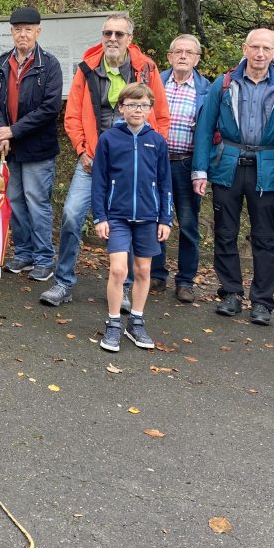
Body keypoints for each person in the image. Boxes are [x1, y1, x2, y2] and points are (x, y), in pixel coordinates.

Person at [39, 12, 170, 308]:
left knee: (128, 222)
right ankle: (63, 282)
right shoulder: (87, 69)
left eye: (118, 34)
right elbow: (72, 115)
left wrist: (148, 150)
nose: (112, 39)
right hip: (92, 161)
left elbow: (160, 116)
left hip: (131, 165)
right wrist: (82, 150)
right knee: (72, 215)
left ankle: (123, 288)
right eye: (107, 33)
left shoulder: (146, 69)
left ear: (129, 39)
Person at [192, 28, 274, 325]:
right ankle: (230, 292)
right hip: (227, 165)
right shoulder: (224, 84)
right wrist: (199, 170)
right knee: (225, 231)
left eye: (267, 48)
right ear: (245, 48)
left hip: (267, 168)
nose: (260, 53)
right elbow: (204, 128)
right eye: (255, 47)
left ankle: (263, 301)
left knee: (265, 237)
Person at [91, 83, 172, 352]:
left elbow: (164, 183)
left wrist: (165, 218)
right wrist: (100, 216)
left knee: (143, 270)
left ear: (150, 109)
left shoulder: (157, 141)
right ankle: (114, 323)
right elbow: (100, 181)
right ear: (122, 107)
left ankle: (135, 322)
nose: (138, 110)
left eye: (143, 105)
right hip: (116, 215)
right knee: (118, 269)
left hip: (148, 218)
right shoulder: (109, 139)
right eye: (132, 104)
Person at [0, 6, 63, 282]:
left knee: (36, 201)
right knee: (15, 200)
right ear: (11, 32)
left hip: (38, 149)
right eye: (18, 29)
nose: (22, 34)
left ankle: (44, 258)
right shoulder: (3, 63)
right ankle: (24, 253)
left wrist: (13, 131)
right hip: (11, 148)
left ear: (37, 31)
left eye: (28, 29)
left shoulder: (49, 65)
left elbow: (49, 109)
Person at [151, 34, 210, 303]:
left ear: (197, 58)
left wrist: (202, 168)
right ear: (170, 56)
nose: (183, 56)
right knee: (154, 218)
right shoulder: (155, 83)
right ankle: (156, 273)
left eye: (189, 52)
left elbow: (210, 132)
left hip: (187, 164)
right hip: (156, 162)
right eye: (178, 52)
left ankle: (185, 280)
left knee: (187, 224)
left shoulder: (207, 90)